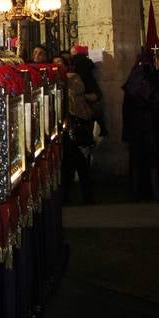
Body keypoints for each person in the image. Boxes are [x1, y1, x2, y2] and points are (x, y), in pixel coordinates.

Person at [121, 49, 159, 202]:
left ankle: (137, 194)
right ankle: (158, 193)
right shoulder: (158, 80)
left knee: (138, 160)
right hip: (155, 124)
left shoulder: (131, 82)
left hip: (137, 126)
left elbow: (126, 109)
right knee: (156, 160)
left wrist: (126, 130)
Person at [61, 54, 95, 204]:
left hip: (75, 125)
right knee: (70, 164)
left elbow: (77, 93)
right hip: (63, 129)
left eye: (60, 64)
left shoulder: (74, 79)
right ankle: (72, 196)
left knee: (78, 162)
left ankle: (86, 196)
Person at [70, 44, 108, 138]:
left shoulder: (77, 63)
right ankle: (101, 130)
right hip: (92, 90)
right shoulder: (87, 62)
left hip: (85, 92)